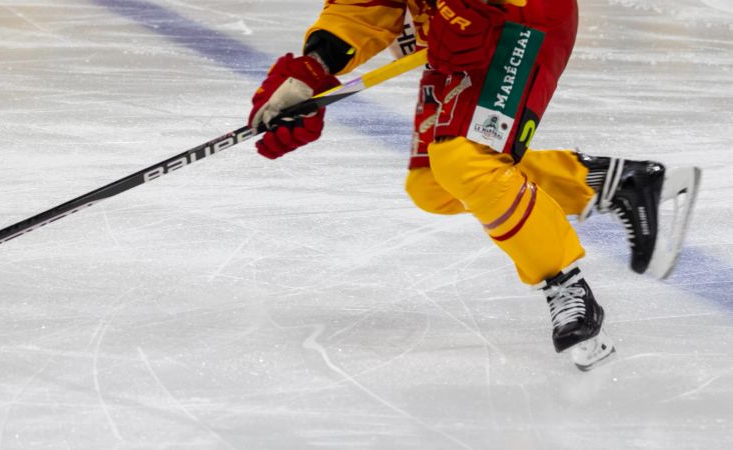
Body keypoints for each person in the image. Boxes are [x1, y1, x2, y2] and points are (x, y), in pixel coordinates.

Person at [247, 0, 700, 371]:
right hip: (452, 37)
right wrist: (314, 67)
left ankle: (564, 283)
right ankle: (611, 182)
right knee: (433, 184)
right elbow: (363, 6)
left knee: (465, 160)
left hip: (519, 21)